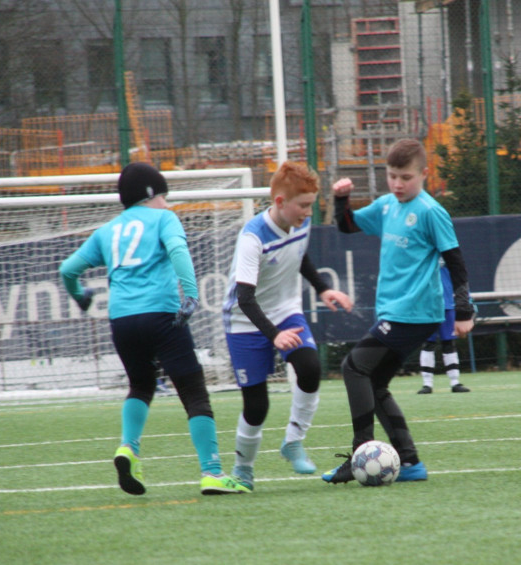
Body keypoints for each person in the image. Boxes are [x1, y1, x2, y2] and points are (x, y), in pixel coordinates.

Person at [59, 162, 249, 495]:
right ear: (151, 196)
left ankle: (127, 448)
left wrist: (82, 298)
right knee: (193, 393)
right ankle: (213, 472)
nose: (167, 204)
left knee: (140, 385)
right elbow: (177, 250)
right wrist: (190, 294)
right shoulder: (164, 219)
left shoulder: (107, 231)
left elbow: (67, 270)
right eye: (164, 197)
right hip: (161, 315)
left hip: (122, 321)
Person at [323, 138, 475, 484]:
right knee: (374, 384)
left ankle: (360, 453)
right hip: (394, 312)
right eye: (392, 176)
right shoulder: (387, 205)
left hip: (416, 312)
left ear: (424, 173)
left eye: (405, 177)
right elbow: (347, 225)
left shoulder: (430, 211)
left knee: (353, 367)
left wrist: (463, 310)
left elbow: (456, 262)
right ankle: (410, 463)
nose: (397, 184)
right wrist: (341, 197)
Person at [222, 161, 353, 491]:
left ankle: (293, 440)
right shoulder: (252, 238)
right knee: (257, 405)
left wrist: (323, 288)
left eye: (312, 205)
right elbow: (245, 298)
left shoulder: (300, 222)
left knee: (309, 366)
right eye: (304, 206)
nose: (308, 213)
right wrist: (274, 335)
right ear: (280, 202)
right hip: (244, 321)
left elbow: (300, 256)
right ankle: (243, 470)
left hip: (285, 311)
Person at [417, 263, 470, 394]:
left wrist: (467, 303)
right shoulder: (422, 256)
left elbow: (461, 279)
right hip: (428, 306)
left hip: (449, 304)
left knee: (449, 343)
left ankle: (455, 382)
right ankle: (427, 384)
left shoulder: (451, 256)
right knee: (428, 344)